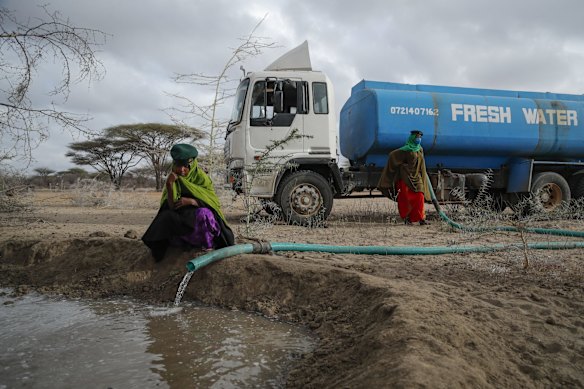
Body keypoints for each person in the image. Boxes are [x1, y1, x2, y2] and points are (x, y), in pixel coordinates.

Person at [142, 143, 235, 262]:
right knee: (165, 217)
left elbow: (213, 202)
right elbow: (170, 206)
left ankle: (208, 245)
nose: (182, 170)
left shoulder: (201, 177)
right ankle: (181, 245)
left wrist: (192, 201)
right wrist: (169, 185)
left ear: (192, 164)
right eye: (178, 166)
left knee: (204, 214)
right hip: (182, 220)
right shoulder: (173, 179)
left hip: (198, 221)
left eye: (186, 166)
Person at [377, 130, 431, 225]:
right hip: (406, 178)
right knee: (406, 199)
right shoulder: (405, 149)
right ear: (412, 138)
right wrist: (403, 166)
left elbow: (422, 164)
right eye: (417, 137)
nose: (419, 139)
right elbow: (392, 155)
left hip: (417, 177)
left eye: (420, 137)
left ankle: (421, 218)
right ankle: (407, 218)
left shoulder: (420, 149)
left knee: (420, 196)